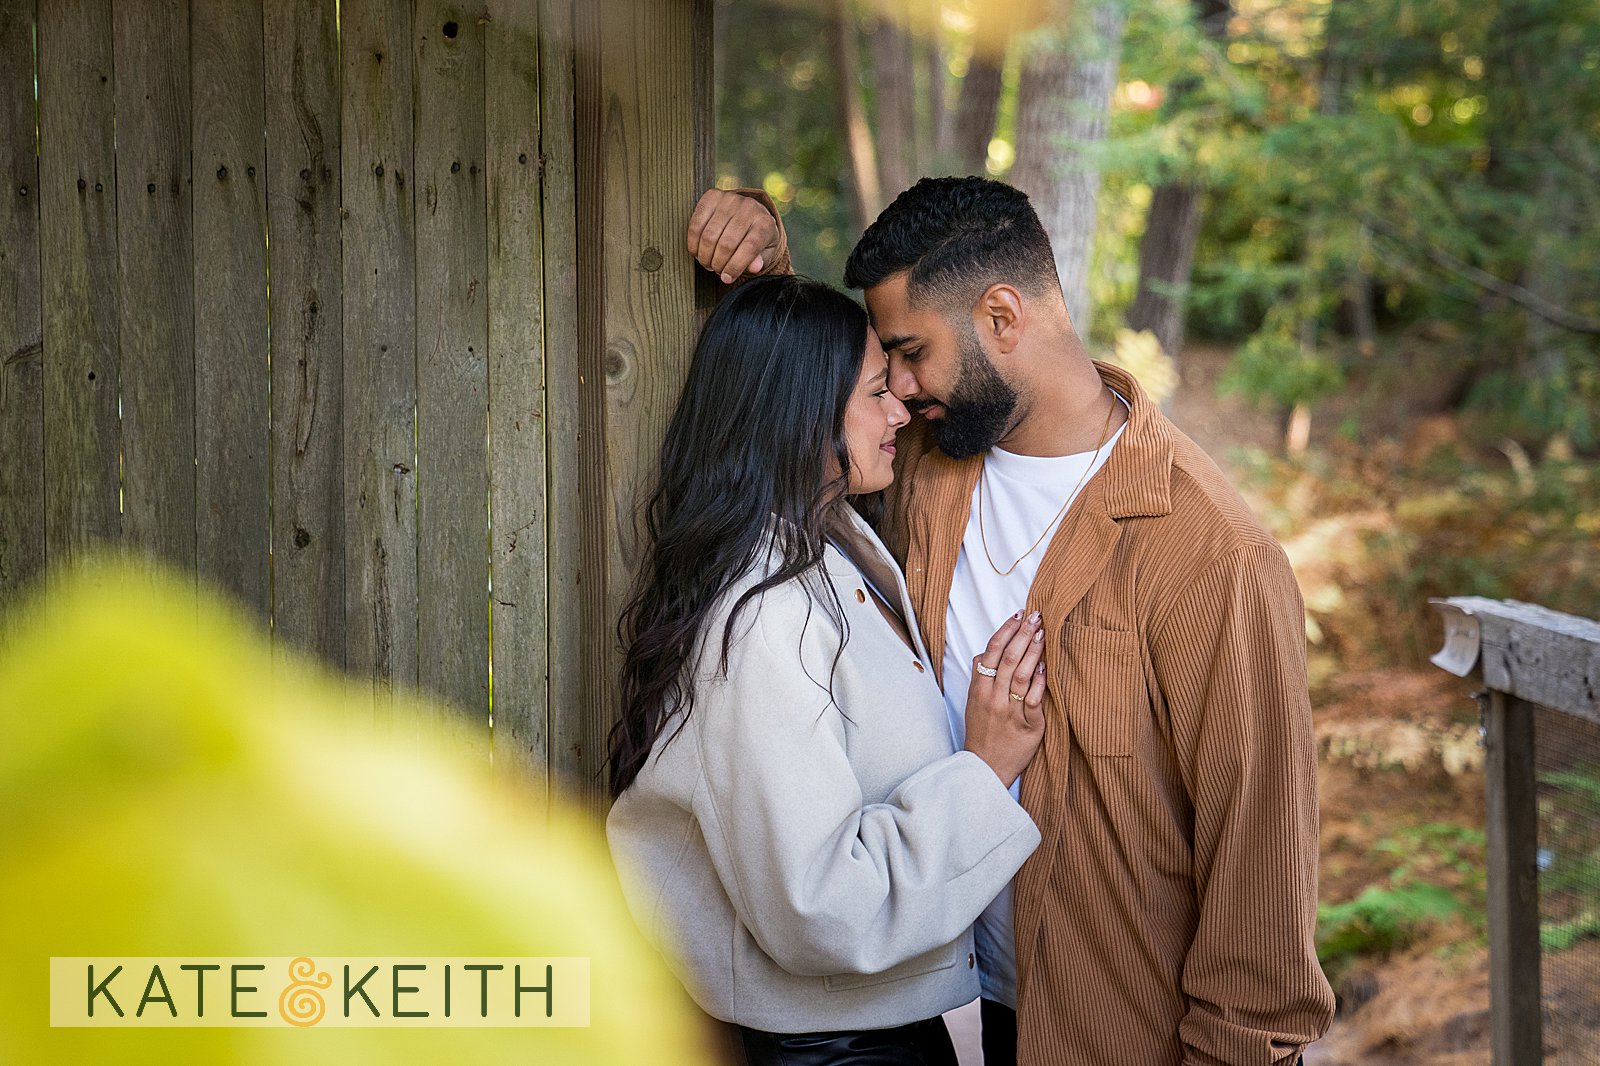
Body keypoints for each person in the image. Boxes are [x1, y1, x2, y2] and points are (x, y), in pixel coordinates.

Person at [687, 179, 1336, 1065]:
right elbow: (808, 400)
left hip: (1123, 1033)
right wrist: (758, 241)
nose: (902, 390)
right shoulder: (925, 461)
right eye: (889, 368)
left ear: (1001, 313)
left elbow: (1259, 870)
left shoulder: (1212, 557)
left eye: (911, 354)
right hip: (972, 1007)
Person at [605, 272, 1054, 1066]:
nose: (900, 412)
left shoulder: (832, 544)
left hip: (871, 1035)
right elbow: (820, 905)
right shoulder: (764, 613)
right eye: (877, 391)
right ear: (800, 414)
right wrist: (984, 771)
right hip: (828, 1053)